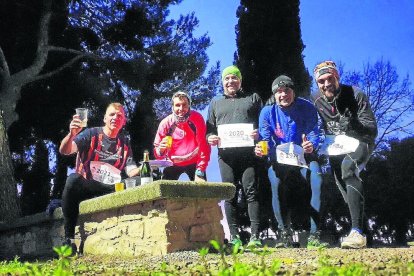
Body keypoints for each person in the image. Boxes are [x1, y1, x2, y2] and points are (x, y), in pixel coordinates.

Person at [311, 61, 378, 249]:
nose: (326, 85)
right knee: (344, 188)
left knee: (348, 170)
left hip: (361, 141)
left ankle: (356, 232)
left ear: (337, 77)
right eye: (321, 81)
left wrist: (354, 124)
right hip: (336, 147)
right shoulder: (315, 98)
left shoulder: (356, 94)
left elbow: (372, 130)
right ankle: (365, 232)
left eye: (330, 79)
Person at [255, 75, 327, 248]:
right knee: (275, 182)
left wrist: (311, 145)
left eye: (286, 90)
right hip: (280, 158)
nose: (283, 95)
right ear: (274, 94)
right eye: (279, 92)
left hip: (305, 156)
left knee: (317, 180)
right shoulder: (267, 112)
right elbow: (265, 138)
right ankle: (284, 233)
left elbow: (314, 132)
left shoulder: (307, 107)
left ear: (293, 91)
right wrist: (261, 149)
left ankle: (314, 234)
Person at [59, 102, 140, 253]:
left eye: (120, 116)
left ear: (124, 121)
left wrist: (146, 167)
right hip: (86, 184)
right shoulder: (91, 134)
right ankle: (69, 239)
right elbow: (65, 150)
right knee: (72, 179)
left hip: (110, 186)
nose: (116, 117)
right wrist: (71, 134)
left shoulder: (125, 142)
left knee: (140, 181)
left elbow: (130, 170)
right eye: (112, 114)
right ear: (104, 118)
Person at [206, 65, 263, 248]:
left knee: (251, 192)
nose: (231, 81)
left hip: (248, 155)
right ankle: (234, 237)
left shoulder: (252, 98)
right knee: (229, 194)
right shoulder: (215, 102)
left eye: (234, 78)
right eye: (227, 79)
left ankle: (255, 237)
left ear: (240, 81)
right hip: (226, 157)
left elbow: (263, 124)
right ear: (222, 82)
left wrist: (259, 133)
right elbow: (210, 130)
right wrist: (210, 138)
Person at [153, 91, 210, 181]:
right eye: (177, 105)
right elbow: (157, 153)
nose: (181, 108)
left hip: (194, 162)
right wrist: (160, 150)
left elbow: (204, 145)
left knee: (201, 192)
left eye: (184, 105)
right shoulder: (165, 123)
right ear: (172, 107)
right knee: (165, 192)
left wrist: (200, 169)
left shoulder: (197, 118)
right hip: (173, 163)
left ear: (189, 106)